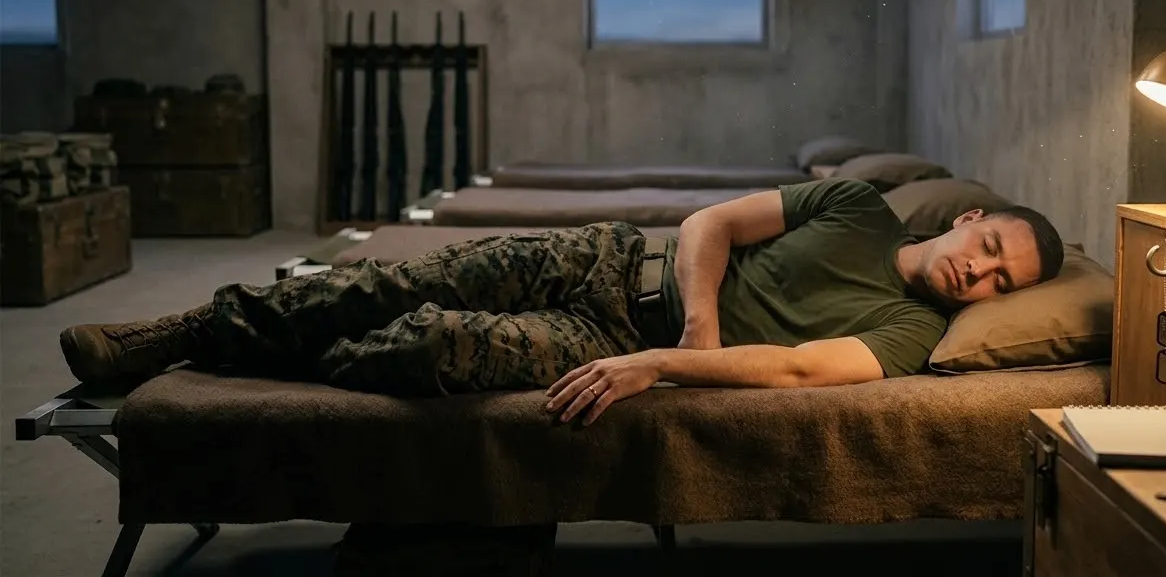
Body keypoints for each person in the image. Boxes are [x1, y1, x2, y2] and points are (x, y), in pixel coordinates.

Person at [59, 177, 1063, 425]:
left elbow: (805, 369)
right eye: (986, 251)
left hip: (603, 334)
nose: (977, 278)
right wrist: (700, 319)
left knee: (427, 345)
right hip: (603, 260)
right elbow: (710, 224)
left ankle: (227, 356)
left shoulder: (912, 336)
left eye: (999, 283)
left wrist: (664, 359)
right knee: (392, 279)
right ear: (967, 217)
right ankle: (175, 335)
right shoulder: (855, 206)